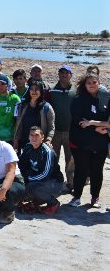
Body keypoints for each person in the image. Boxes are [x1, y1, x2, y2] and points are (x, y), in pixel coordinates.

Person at [68, 73, 108, 208]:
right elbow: (79, 121)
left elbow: (108, 121)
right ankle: (77, 197)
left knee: (97, 171)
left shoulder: (105, 99)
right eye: (88, 83)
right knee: (81, 170)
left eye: (94, 82)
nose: (92, 85)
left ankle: (94, 198)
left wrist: (100, 127)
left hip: (101, 143)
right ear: (84, 85)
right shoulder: (78, 99)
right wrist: (96, 127)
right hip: (82, 143)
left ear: (99, 83)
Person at [19, 126, 63, 214]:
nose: (34, 138)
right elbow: (21, 165)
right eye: (32, 135)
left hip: (54, 182)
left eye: (37, 135)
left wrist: (27, 180)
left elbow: (45, 174)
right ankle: (35, 203)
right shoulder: (28, 147)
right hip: (38, 180)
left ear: (42, 137)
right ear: (29, 137)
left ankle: (54, 203)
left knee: (33, 189)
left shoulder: (47, 152)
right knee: (22, 186)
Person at [48, 64, 75, 192]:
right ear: (58, 75)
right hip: (56, 132)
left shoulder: (76, 91)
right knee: (54, 158)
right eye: (62, 73)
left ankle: (71, 183)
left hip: (71, 131)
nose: (64, 75)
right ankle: (55, 182)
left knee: (71, 159)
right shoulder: (52, 91)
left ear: (71, 75)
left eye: (66, 73)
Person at [13, 81, 55, 154]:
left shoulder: (47, 107)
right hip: (24, 143)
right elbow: (18, 125)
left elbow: (51, 127)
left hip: (40, 144)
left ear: (41, 91)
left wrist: (48, 140)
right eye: (32, 89)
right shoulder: (22, 106)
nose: (34, 91)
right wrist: (16, 141)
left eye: (37, 89)